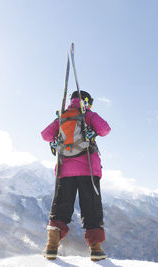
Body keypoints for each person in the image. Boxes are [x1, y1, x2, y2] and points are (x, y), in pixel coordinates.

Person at [41, 90, 111, 261]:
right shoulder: (88, 115)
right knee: (91, 207)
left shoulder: (63, 116)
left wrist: (56, 139)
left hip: (65, 171)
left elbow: (45, 135)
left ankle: (51, 247)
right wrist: (90, 123)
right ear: (86, 101)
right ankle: (95, 249)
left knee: (61, 208)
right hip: (88, 168)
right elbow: (105, 129)